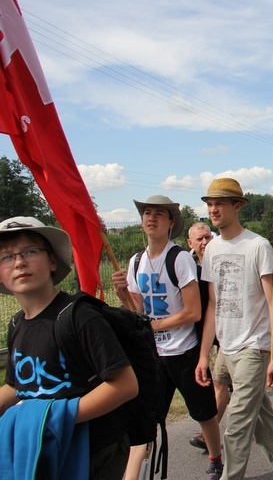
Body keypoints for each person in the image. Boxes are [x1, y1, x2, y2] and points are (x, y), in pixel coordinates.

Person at [0, 217, 138, 480]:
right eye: (7, 256)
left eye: (30, 251)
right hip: (44, 449)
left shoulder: (79, 316)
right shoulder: (17, 323)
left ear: (53, 261)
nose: (19, 262)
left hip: (93, 451)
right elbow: (15, 384)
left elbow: (125, 385)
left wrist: (55, 419)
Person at [195, 178, 273, 480]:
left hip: (254, 349)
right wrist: (205, 354)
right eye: (210, 203)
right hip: (225, 349)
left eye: (220, 203)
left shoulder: (258, 245)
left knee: (237, 427)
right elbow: (213, 306)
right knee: (263, 422)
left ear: (237, 206)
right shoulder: (212, 248)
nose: (213, 209)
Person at [112, 196, 223, 480]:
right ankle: (141, 469)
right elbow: (136, 312)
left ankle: (216, 457)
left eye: (159, 214)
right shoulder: (136, 261)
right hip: (152, 356)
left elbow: (194, 312)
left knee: (203, 411)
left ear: (171, 223)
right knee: (148, 417)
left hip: (184, 352)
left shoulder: (179, 258)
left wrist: (155, 325)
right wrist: (122, 294)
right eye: (147, 213)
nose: (151, 218)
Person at [186, 222, 231, 454]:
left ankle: (208, 435)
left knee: (220, 381)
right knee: (230, 383)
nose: (204, 242)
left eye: (207, 237)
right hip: (206, 332)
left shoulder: (223, 260)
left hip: (229, 330)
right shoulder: (187, 267)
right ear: (190, 243)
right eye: (200, 239)